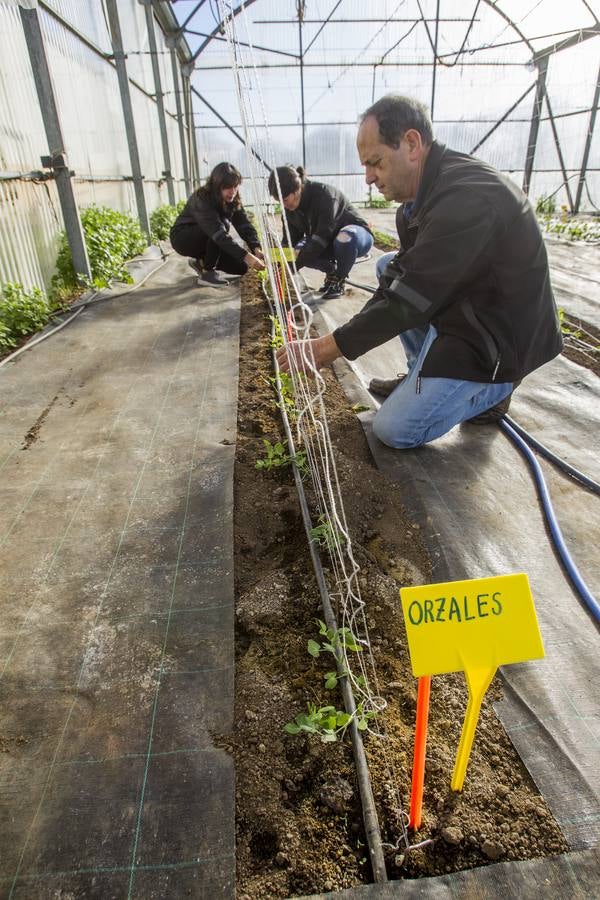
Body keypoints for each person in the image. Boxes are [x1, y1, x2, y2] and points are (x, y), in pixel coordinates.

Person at [276, 94, 563, 449]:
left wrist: (326, 348)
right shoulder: (415, 202)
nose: (367, 178)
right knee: (386, 266)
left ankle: (495, 389)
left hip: (500, 336)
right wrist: (339, 340)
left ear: (411, 143)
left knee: (394, 430)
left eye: (375, 163)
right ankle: (418, 372)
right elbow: (401, 281)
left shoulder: (466, 198)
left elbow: (410, 300)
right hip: (468, 305)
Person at [268, 165, 373, 299]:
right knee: (299, 249)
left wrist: (293, 268)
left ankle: (339, 280)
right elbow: (290, 242)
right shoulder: (289, 212)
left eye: (285, 199)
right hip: (328, 242)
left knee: (344, 236)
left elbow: (321, 237)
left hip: (356, 238)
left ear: (296, 189)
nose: (283, 205)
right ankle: (332, 272)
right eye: (279, 201)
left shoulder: (325, 196)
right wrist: (281, 265)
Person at [170, 162, 264, 285]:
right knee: (222, 225)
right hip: (183, 238)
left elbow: (243, 224)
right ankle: (207, 272)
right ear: (217, 185)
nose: (233, 191)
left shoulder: (232, 199)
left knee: (241, 267)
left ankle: (200, 262)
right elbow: (218, 233)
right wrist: (247, 256)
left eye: (235, 186)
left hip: (211, 238)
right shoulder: (202, 198)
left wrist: (256, 247)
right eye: (228, 187)